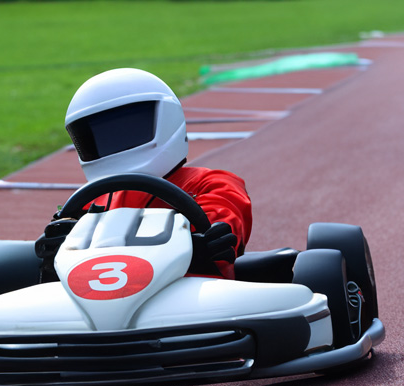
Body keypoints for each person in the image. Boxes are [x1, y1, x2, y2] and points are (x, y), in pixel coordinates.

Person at [36, 68, 252, 280]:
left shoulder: (212, 184)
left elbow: (222, 228)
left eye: (129, 128)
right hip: (100, 299)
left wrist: (202, 242)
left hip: (192, 300)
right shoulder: (91, 202)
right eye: (104, 136)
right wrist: (57, 245)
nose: (116, 141)